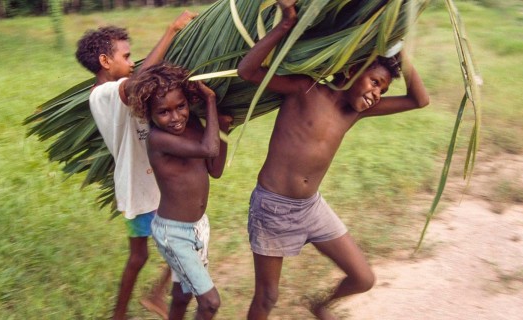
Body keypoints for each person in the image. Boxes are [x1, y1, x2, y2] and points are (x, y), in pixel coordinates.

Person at [237, 1, 430, 319]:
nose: (376, 94)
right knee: (267, 297)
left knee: (363, 278)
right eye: (374, 82)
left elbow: (418, 100)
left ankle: (320, 305)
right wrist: (284, 26)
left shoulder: (354, 112)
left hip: (311, 208)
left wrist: (400, 51)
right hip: (273, 206)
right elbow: (247, 71)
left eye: (382, 89)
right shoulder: (305, 88)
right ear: (352, 70)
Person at [75, 10, 198, 320]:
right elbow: (142, 80)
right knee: (165, 249)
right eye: (126, 56)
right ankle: (134, 307)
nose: (132, 61)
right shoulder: (102, 94)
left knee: (159, 250)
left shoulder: (118, 88)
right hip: (140, 188)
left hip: (151, 184)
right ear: (105, 61)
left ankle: (143, 301)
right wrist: (171, 30)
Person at [127, 62, 232, 320]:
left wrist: (224, 133)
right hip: (173, 233)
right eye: (163, 112)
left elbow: (215, 169)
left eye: (180, 107)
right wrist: (210, 99)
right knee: (210, 303)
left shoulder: (194, 124)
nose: (175, 118)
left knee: (183, 295)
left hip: (199, 228)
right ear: (148, 114)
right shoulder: (157, 139)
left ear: (187, 102)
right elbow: (209, 149)